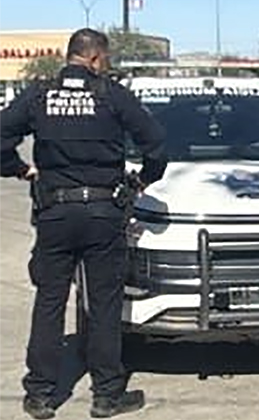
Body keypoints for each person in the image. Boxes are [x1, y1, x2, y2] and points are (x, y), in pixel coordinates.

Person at [0, 28, 167, 419]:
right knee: (105, 305)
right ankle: (106, 395)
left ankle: (40, 394)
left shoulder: (39, 94)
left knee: (49, 301)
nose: (106, 65)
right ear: (94, 58)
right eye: (105, 59)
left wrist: (20, 169)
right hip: (103, 214)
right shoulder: (112, 95)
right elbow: (157, 146)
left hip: (55, 213)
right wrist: (141, 182)